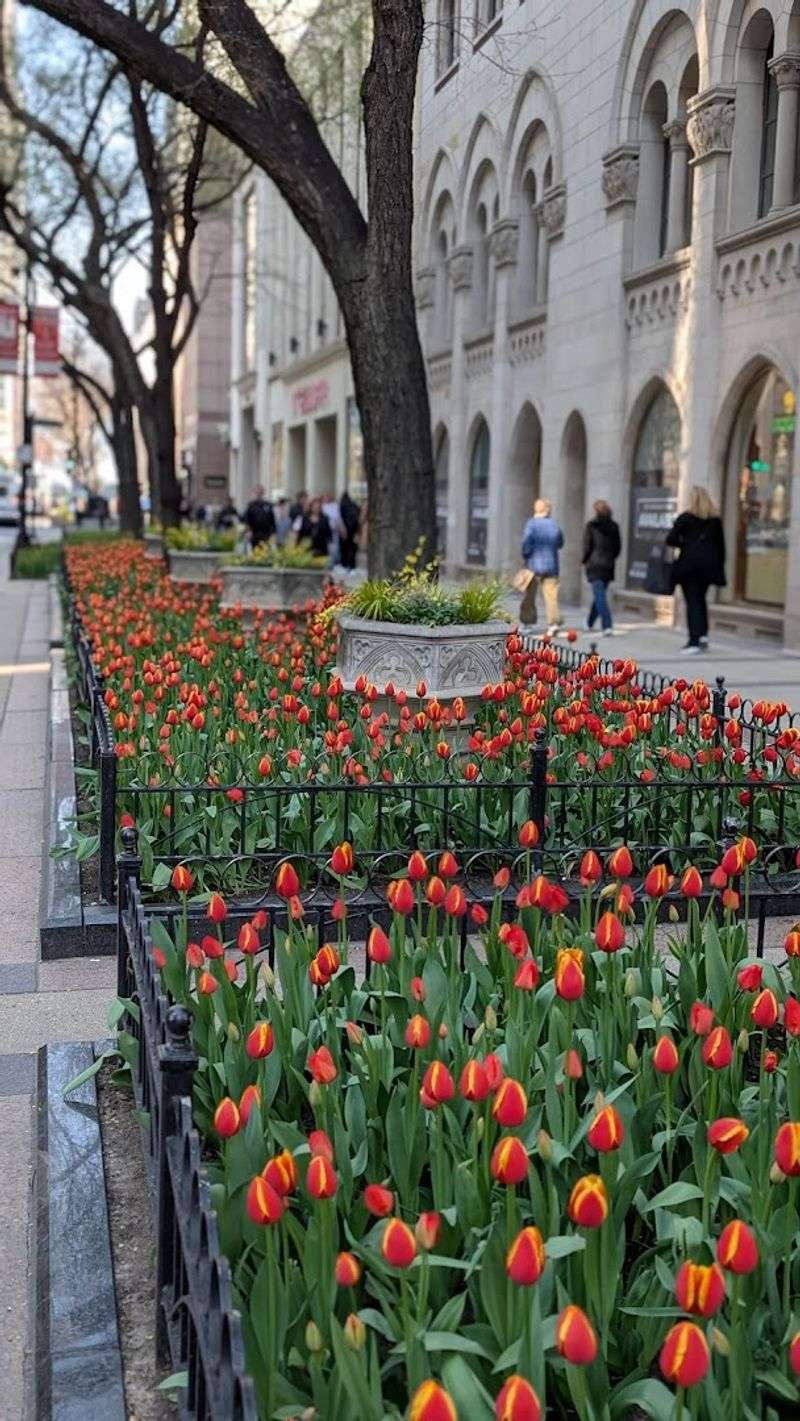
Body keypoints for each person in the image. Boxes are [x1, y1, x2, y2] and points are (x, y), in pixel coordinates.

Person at [666, 486, 726, 654]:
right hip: (708, 568)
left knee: (692, 602)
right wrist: (719, 568)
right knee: (700, 600)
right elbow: (721, 547)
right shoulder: (715, 520)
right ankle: (703, 635)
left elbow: (670, 539)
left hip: (689, 566)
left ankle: (693, 641)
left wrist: (686, 544)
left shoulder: (686, 518)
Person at [520, 497, 564, 634]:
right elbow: (560, 543)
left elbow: (526, 544)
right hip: (551, 566)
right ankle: (553, 624)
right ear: (547, 509)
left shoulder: (531, 524)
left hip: (533, 565)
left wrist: (526, 557)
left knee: (529, 597)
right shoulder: (554, 524)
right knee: (551, 596)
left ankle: (527, 624)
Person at [582, 499, 621, 636]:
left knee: (600, 596)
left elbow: (587, 546)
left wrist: (584, 560)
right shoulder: (614, 526)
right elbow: (618, 548)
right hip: (608, 565)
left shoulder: (591, 526)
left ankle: (607, 625)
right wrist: (610, 558)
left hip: (594, 564)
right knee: (600, 595)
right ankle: (589, 622)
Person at [339, 490, 360, 570]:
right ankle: (351, 565)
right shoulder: (355, 506)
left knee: (345, 548)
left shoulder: (342, 505)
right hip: (353, 530)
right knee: (352, 548)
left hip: (346, 530)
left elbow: (340, 517)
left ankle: (344, 565)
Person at [322, 491, 342, 567]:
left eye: (328, 496)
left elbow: (339, 518)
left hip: (334, 530)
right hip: (325, 531)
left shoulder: (335, 506)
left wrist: (341, 529)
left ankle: (333, 564)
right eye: (326, 496)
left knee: (335, 548)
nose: (327, 498)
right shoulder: (322, 506)